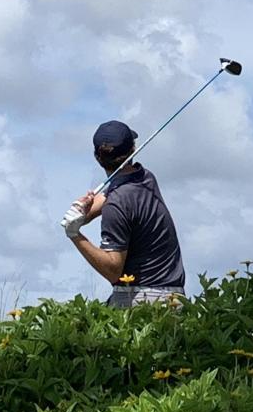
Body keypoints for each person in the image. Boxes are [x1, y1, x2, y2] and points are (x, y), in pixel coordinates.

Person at [60, 120, 186, 308]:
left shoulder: (116, 204)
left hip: (141, 301)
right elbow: (111, 197)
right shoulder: (145, 176)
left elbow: (113, 270)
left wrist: (74, 234)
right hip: (174, 298)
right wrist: (82, 213)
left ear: (97, 157)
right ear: (133, 150)